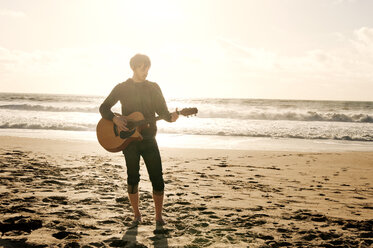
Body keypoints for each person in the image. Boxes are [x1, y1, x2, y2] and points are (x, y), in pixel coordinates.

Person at [99, 54, 179, 226]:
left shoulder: (153, 87)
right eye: (143, 68)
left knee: (157, 178)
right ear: (134, 67)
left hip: (149, 139)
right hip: (129, 140)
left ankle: (158, 217)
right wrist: (115, 119)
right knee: (132, 177)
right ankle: (137, 215)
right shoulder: (122, 87)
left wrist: (171, 117)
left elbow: (163, 112)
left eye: (148, 67)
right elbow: (104, 107)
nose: (146, 71)